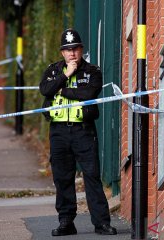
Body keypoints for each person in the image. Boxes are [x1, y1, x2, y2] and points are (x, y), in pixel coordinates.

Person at [39, 29, 117, 237]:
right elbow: (45, 90)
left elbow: (88, 93)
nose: (72, 53)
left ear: (81, 50)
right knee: (62, 178)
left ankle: (101, 223)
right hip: (58, 132)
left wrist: (62, 90)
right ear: (62, 52)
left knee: (91, 177)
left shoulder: (93, 71)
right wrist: (65, 76)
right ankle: (66, 222)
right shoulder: (53, 71)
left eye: (75, 49)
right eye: (67, 50)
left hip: (83, 132)